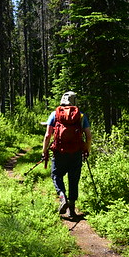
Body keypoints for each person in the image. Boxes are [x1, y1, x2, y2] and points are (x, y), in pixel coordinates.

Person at [42, 91, 92, 219]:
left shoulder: (55, 114)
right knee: (73, 179)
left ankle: (62, 196)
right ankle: (72, 210)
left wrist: (44, 151)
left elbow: (48, 135)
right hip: (76, 153)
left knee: (56, 175)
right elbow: (88, 136)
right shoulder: (80, 116)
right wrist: (86, 149)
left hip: (59, 152)